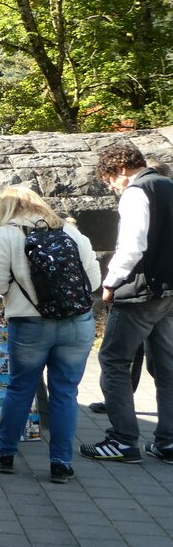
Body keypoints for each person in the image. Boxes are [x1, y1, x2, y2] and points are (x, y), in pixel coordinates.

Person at [0, 185, 101, 483]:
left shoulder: (4, 235)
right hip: (77, 322)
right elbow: (94, 281)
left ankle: (6, 454)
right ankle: (61, 463)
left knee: (20, 388)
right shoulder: (71, 232)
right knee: (65, 392)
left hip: (30, 325)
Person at [81, 143, 173, 464]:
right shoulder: (168, 185)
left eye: (109, 180)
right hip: (169, 291)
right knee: (166, 366)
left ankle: (123, 439)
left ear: (120, 170)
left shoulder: (137, 191)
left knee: (113, 361)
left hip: (140, 292)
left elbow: (133, 245)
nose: (111, 187)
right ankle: (168, 442)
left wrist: (110, 282)